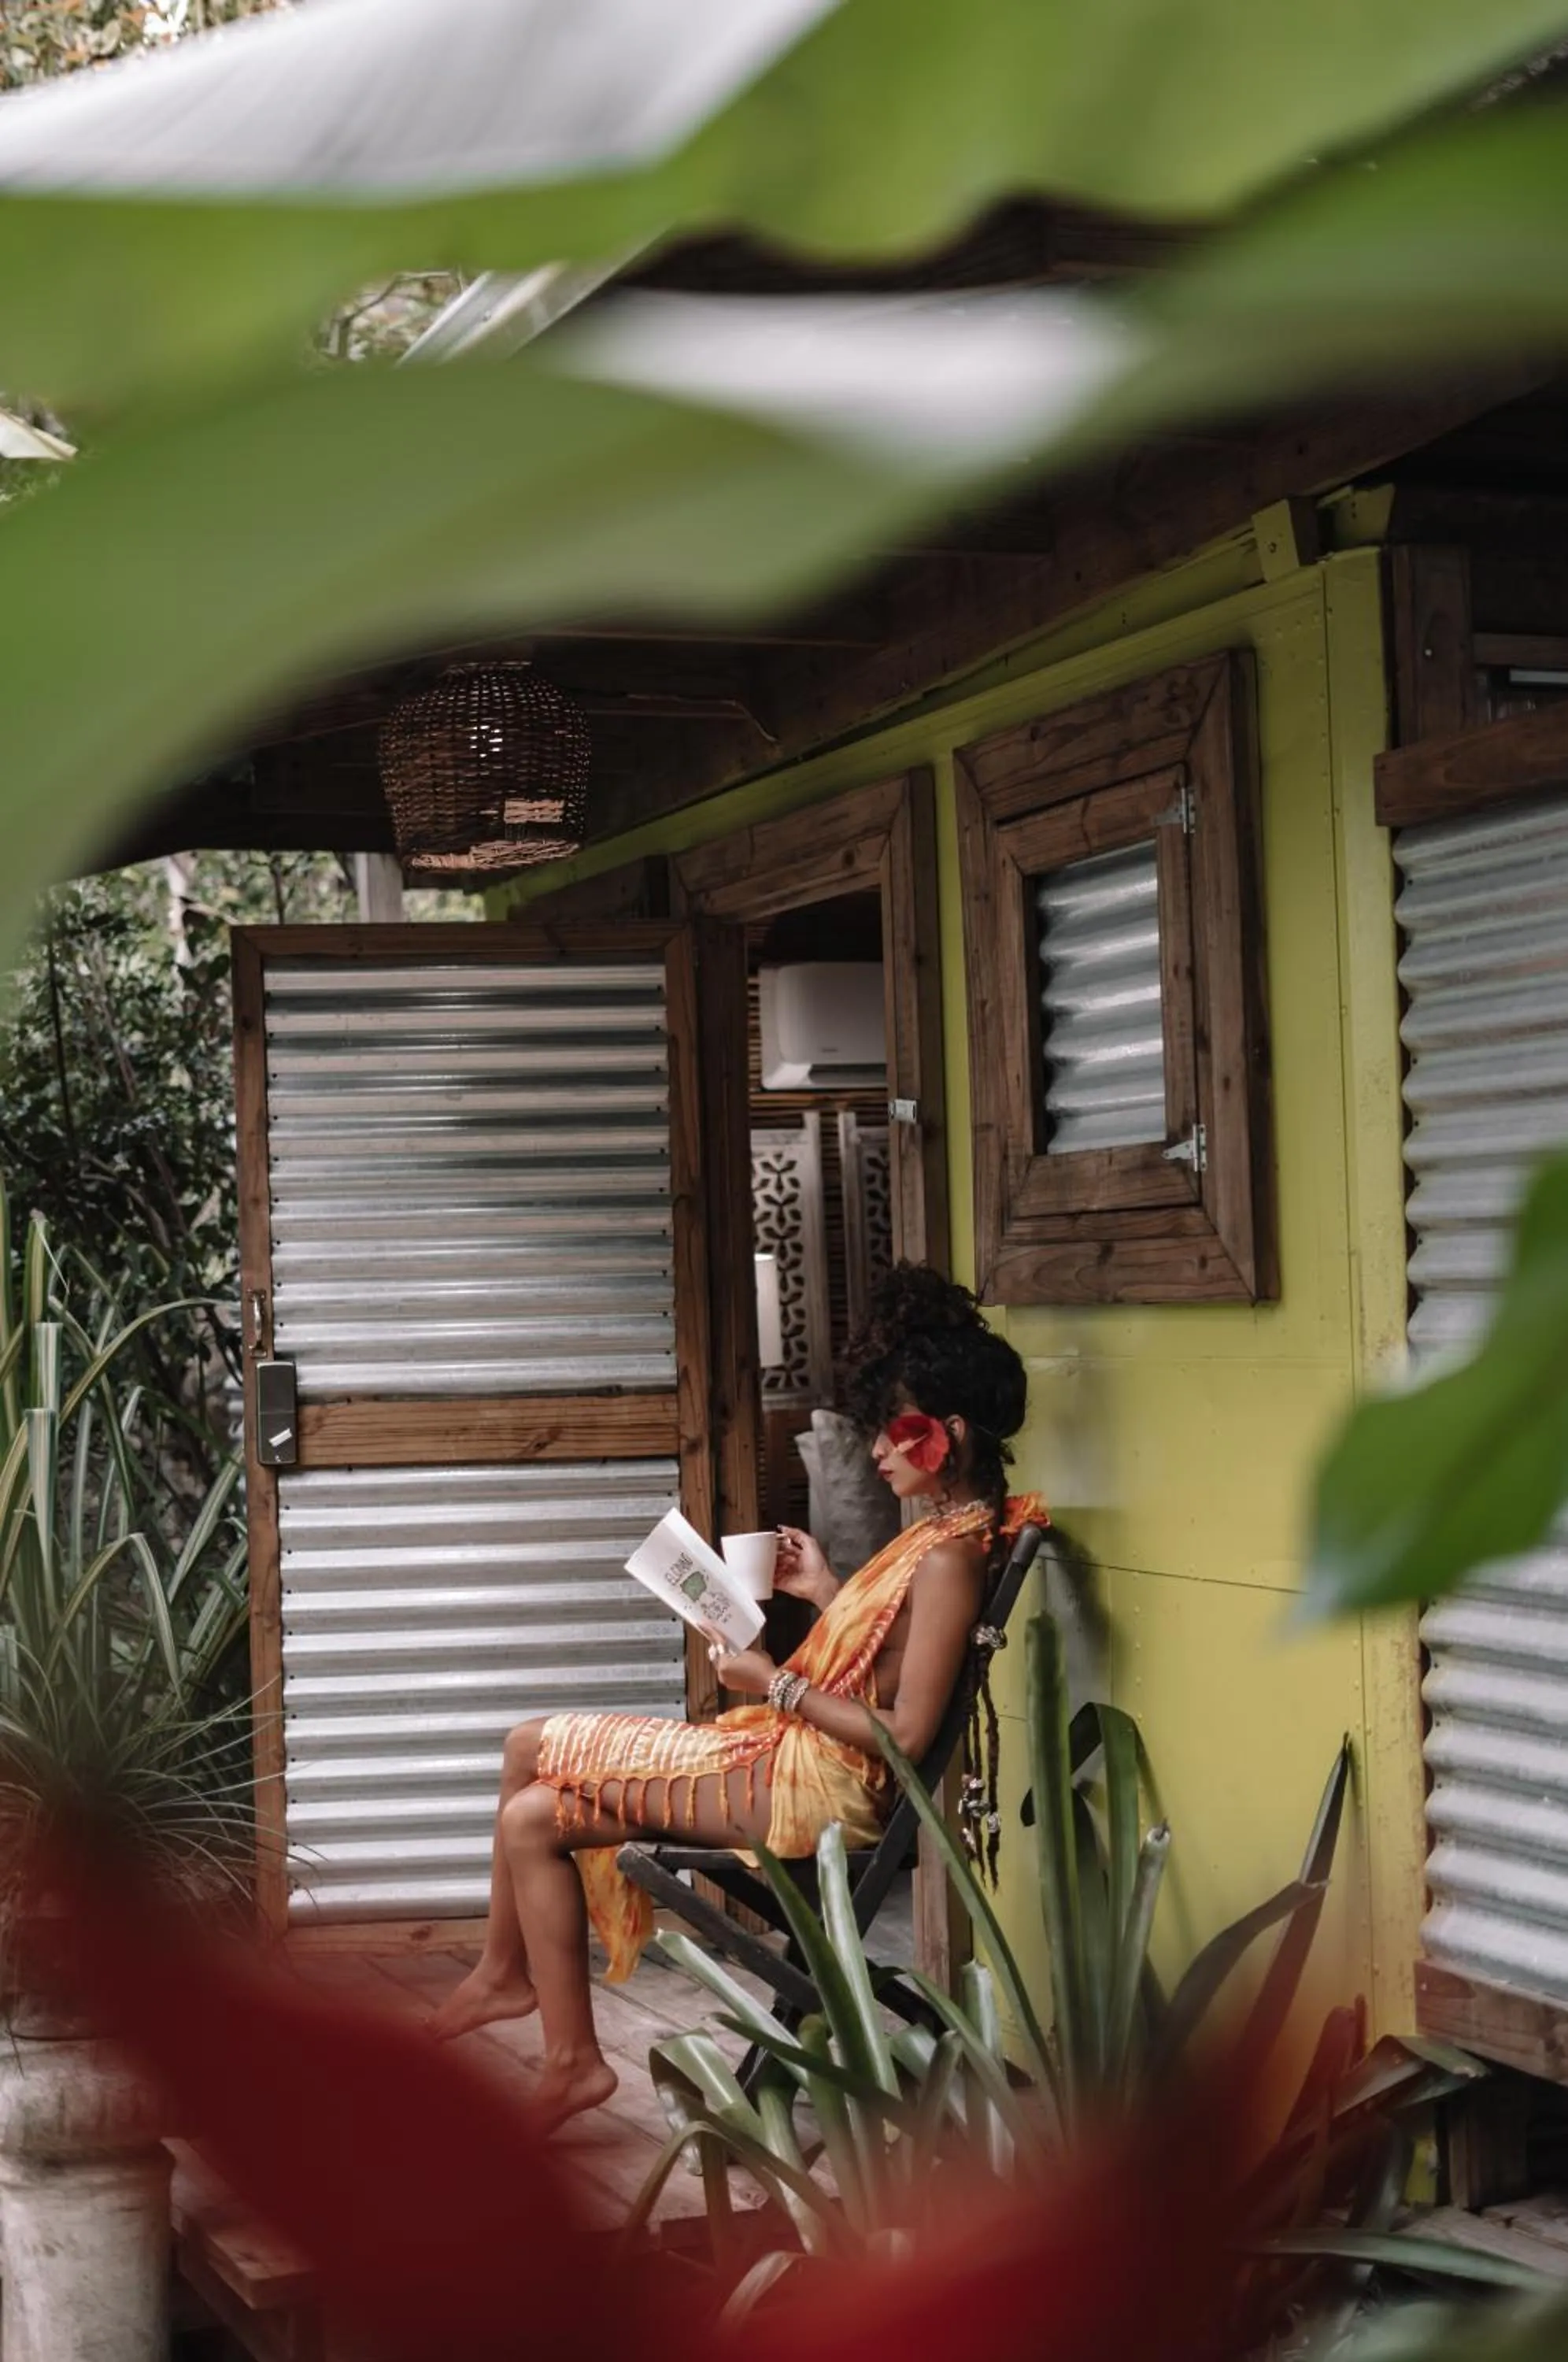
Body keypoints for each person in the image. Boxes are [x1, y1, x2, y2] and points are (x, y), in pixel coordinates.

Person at [429, 1264, 1045, 2127]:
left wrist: (775, 1681)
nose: (876, 1450)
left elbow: (905, 1733)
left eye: (893, 1432)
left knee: (530, 1744)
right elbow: (896, 1660)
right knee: (531, 1818)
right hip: (791, 1760)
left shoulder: (949, 1555)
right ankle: (569, 2059)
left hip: (810, 1787)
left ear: (946, 1432)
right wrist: (827, 1589)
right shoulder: (944, 1535)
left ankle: (503, 1976)